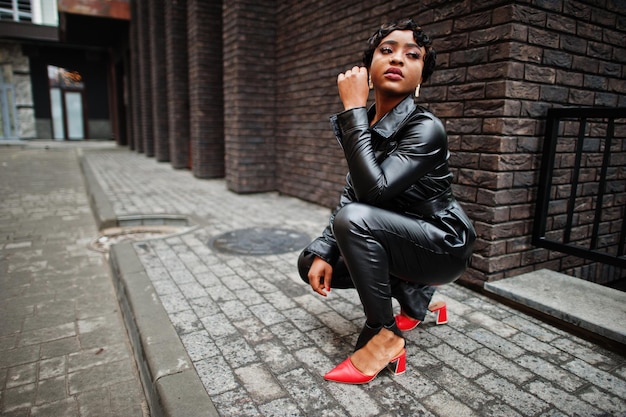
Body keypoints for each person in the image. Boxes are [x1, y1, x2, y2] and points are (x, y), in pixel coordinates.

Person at [297, 18, 475, 384]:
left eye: (412, 55)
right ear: (368, 69)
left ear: (421, 77)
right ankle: (415, 291)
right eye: (387, 50)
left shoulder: (425, 128)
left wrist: (352, 112)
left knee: (355, 220)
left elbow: (370, 195)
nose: (397, 59)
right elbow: (352, 193)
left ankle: (384, 336)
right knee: (311, 262)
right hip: (399, 237)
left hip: (442, 244)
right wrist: (322, 251)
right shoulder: (371, 128)